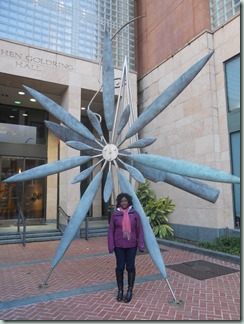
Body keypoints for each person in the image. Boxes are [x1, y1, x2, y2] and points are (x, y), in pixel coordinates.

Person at [108, 193, 144, 303]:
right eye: (122, 201)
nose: (124, 203)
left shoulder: (135, 214)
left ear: (129, 202)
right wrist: (111, 246)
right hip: (119, 245)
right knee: (119, 267)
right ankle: (120, 290)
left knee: (130, 267)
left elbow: (140, 231)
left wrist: (141, 245)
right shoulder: (115, 214)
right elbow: (110, 231)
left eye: (126, 201)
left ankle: (129, 291)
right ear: (119, 202)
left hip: (131, 245)